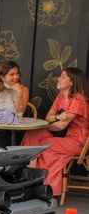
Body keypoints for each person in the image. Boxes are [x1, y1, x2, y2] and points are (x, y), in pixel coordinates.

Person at [21, 68, 89, 197]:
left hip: (76, 140)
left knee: (45, 146)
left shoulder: (78, 99)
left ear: (72, 82)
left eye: (63, 77)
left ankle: (44, 186)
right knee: (33, 135)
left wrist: (43, 126)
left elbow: (60, 127)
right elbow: (49, 117)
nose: (58, 79)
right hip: (64, 135)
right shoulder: (61, 96)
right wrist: (57, 117)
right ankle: (29, 176)